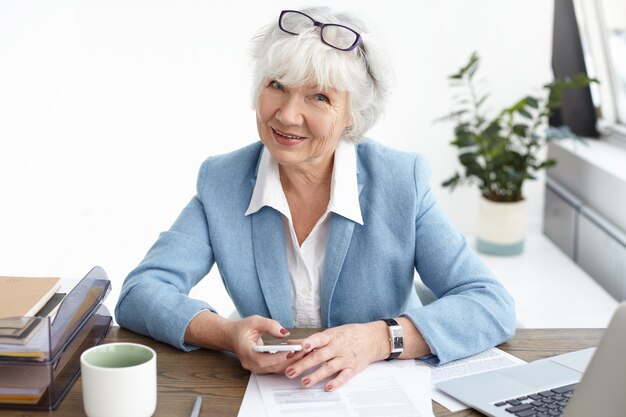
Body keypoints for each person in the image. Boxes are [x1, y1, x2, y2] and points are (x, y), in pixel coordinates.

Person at [115, 7, 515, 392]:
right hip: (267, 393)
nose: (288, 115)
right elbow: (140, 292)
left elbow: (490, 304)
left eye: (319, 97)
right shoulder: (222, 180)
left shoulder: (401, 181)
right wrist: (226, 333)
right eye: (277, 86)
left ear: (352, 114)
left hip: (381, 394)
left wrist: (378, 339)